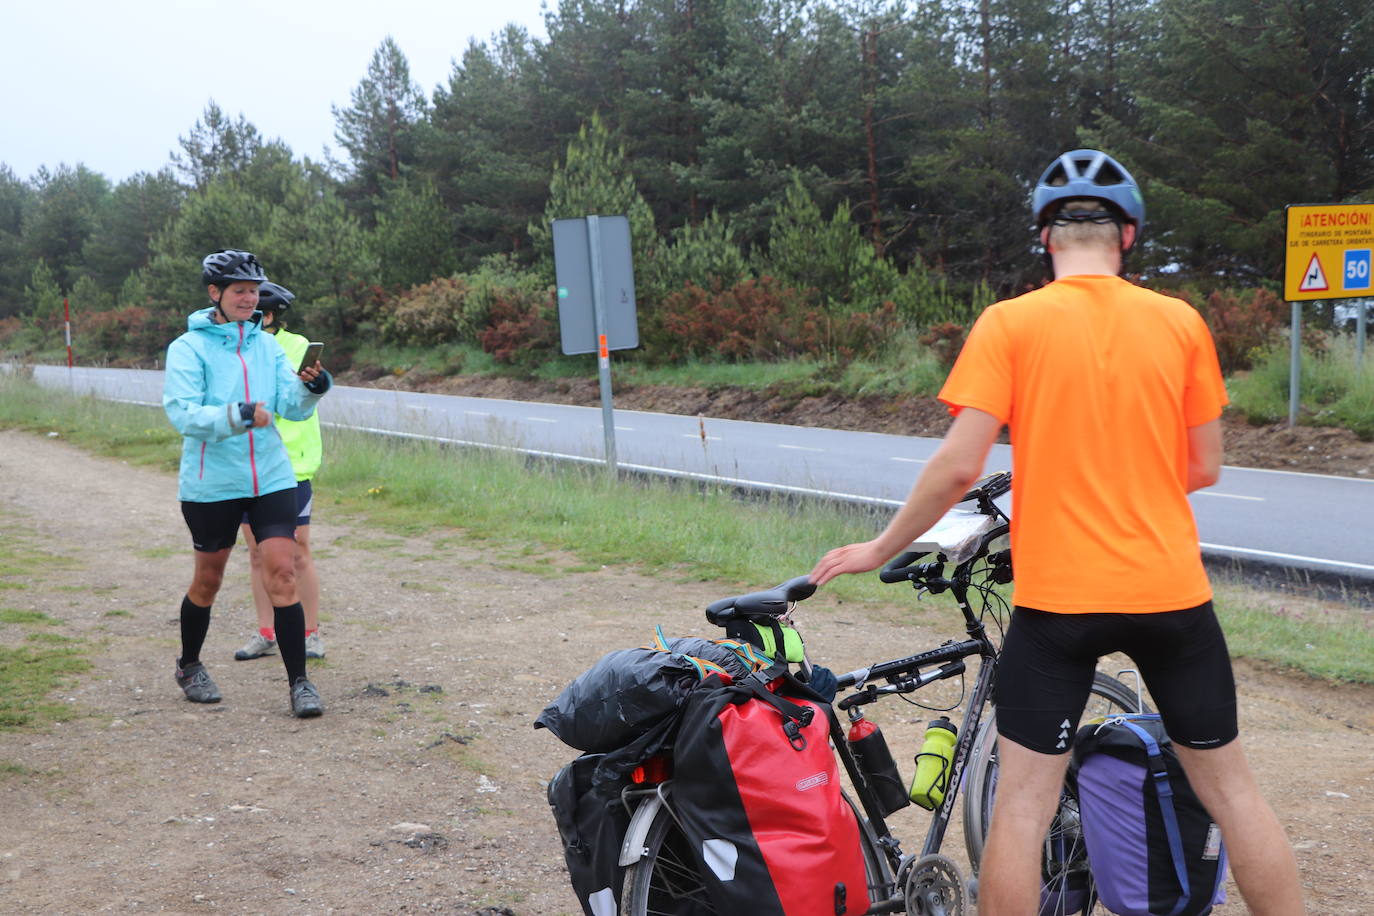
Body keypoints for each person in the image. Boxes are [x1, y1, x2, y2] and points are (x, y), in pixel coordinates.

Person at [810, 150, 1304, 915]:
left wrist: (879, 548)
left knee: (1021, 811)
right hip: (1170, 595)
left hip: (1057, 603)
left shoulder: (1010, 324)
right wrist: (1128, 484)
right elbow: (1204, 465)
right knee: (1235, 796)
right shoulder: (1180, 323)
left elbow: (955, 466)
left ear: (1047, 239)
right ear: (1128, 236)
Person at [163, 250, 332, 719]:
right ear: (215, 293)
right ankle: (189, 664)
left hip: (272, 475)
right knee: (208, 580)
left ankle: (300, 683)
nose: (248, 298)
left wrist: (312, 388)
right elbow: (182, 413)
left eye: (253, 290)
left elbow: (290, 406)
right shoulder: (188, 348)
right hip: (212, 481)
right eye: (238, 290)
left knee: (282, 570)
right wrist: (234, 415)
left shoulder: (266, 346)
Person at [232, 280, 327, 663]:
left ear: (268, 316)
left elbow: (303, 396)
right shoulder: (238, 349)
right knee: (257, 553)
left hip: (291, 465)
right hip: (249, 463)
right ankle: (266, 631)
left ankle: (311, 632)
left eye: (255, 311)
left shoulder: (297, 348)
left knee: (296, 553)